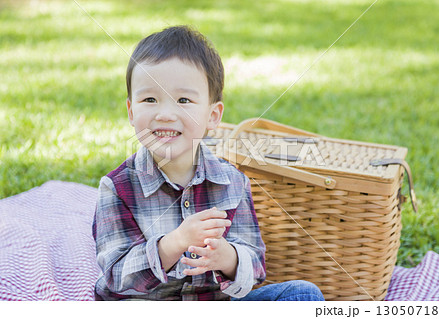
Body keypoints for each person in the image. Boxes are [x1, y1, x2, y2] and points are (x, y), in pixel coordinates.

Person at [92, 25, 325, 301]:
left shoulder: (232, 182)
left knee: (302, 295)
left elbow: (256, 266)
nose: (165, 114)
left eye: (183, 100)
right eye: (150, 99)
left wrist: (228, 258)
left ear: (212, 115)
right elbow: (115, 277)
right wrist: (173, 243)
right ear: (131, 111)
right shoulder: (117, 188)